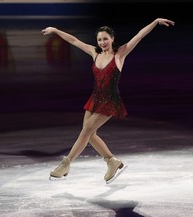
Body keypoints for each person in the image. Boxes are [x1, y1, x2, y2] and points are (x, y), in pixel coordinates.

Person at [42, 18, 175, 184]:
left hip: (110, 100)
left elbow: (139, 36)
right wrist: (55, 30)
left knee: (86, 130)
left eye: (105, 38)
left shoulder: (120, 54)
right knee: (89, 135)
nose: (102, 42)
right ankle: (112, 162)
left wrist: (155, 22)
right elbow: (74, 40)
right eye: (99, 39)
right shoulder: (94, 53)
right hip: (95, 98)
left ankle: (66, 164)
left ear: (112, 38)